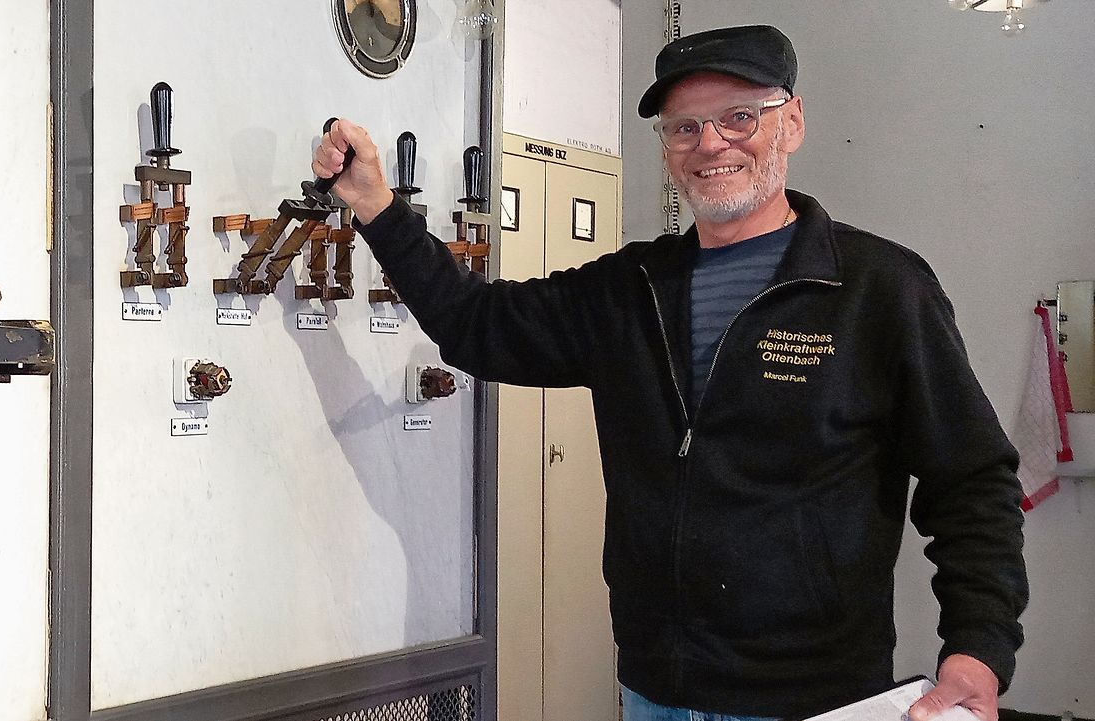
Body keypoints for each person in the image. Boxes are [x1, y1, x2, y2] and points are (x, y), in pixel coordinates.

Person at [313, 24, 1027, 721]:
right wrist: (376, 205)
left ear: (793, 122)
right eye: (683, 128)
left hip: (814, 699)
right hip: (654, 690)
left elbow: (971, 481)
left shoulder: (878, 290)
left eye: (739, 116)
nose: (709, 143)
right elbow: (478, 324)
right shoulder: (631, 291)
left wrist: (978, 647)